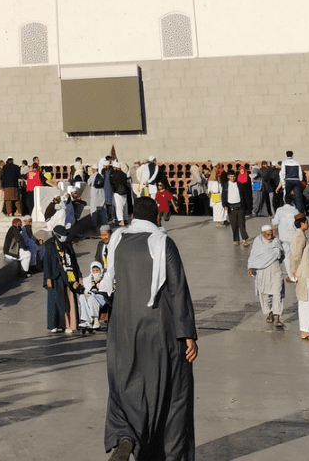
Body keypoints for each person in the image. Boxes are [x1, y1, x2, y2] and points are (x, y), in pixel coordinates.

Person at [103, 197, 197, 461]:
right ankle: (168, 454)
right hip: (160, 330)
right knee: (172, 396)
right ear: (157, 217)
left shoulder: (118, 241)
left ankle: (126, 436)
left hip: (122, 329)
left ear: (134, 216)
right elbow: (178, 289)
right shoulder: (162, 243)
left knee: (125, 387)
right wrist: (188, 334)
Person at [43, 226, 82, 334]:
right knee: (55, 301)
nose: (64, 237)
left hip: (68, 276)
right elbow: (47, 262)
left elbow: (74, 261)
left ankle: (70, 323)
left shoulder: (67, 245)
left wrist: (78, 275)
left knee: (69, 300)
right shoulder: (50, 246)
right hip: (56, 276)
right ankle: (54, 324)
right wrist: (48, 277)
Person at [246, 225, 284, 329]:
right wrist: (250, 267)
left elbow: (281, 254)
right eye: (267, 234)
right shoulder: (257, 243)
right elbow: (253, 256)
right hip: (262, 273)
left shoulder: (276, 241)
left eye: (271, 233)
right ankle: (270, 312)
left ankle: (277, 317)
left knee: (277, 293)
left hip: (275, 271)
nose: (270, 236)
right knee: (265, 295)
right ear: (262, 234)